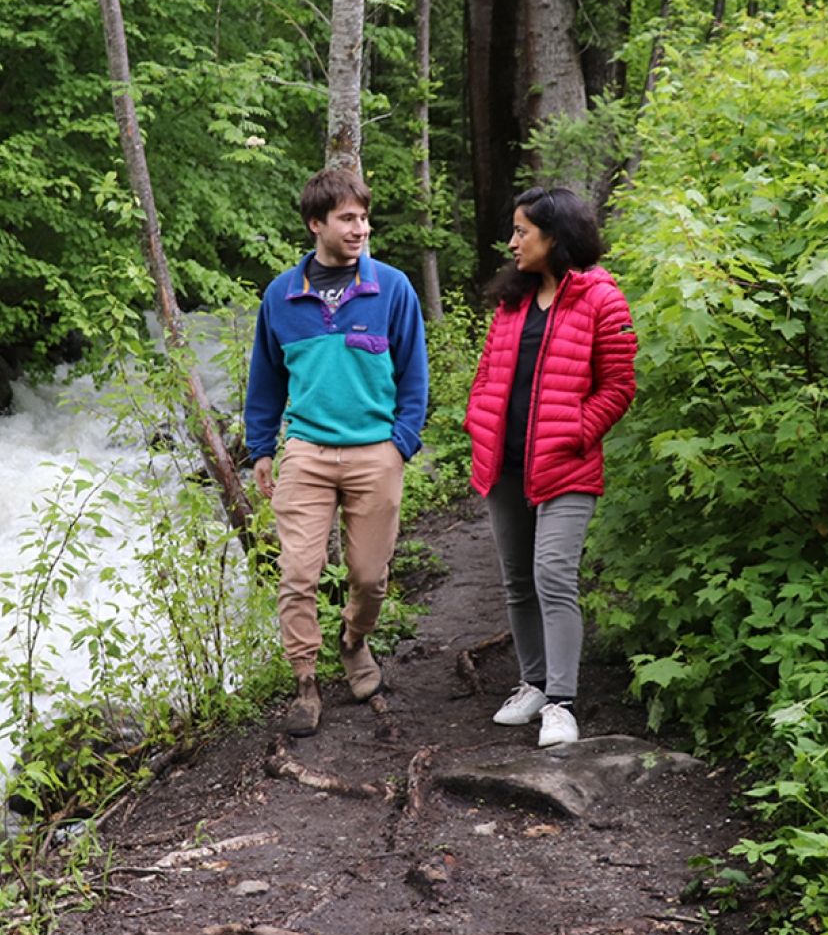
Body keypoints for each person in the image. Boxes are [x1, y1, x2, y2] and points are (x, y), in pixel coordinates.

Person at [245, 167, 428, 737]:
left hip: (376, 452)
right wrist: (261, 447)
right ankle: (305, 681)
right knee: (298, 572)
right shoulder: (281, 296)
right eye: (347, 218)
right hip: (307, 452)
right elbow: (266, 379)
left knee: (369, 577)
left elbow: (414, 377)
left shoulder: (392, 288)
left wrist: (400, 445)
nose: (360, 229)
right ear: (315, 224)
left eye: (364, 218)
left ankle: (353, 640)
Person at [464, 186, 636, 748]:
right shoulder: (512, 300)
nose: (512, 242)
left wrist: (576, 431)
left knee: (554, 576)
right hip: (504, 463)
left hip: (567, 466)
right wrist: (478, 420)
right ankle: (533, 684)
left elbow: (619, 386)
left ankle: (561, 703)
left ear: (555, 237)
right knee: (517, 581)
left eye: (522, 232)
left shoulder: (601, 299)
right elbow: (489, 372)